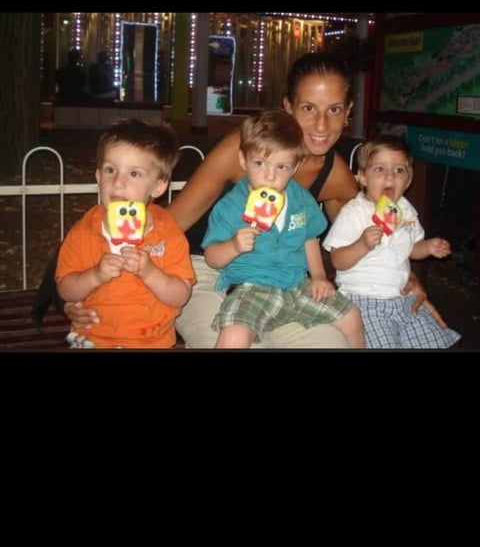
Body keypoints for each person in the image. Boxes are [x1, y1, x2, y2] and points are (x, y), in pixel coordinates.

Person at [60, 51, 447, 349]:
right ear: (288, 107)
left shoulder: (336, 174)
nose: (321, 125)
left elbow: (366, 237)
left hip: (283, 281)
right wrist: (96, 290)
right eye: (308, 108)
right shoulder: (242, 150)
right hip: (207, 271)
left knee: (333, 343)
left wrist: (405, 280)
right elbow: (169, 222)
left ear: (347, 113)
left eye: (333, 110)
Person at [202, 110, 366, 349]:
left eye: (281, 166)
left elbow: (309, 238)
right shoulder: (231, 206)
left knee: (352, 317)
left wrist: (318, 276)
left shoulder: (301, 200)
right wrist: (233, 246)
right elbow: (211, 257)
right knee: (233, 335)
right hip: (250, 287)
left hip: (296, 285)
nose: (270, 176)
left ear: (295, 166)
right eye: (260, 163)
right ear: (243, 160)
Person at [55, 118, 195, 349]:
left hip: (152, 342)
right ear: (98, 176)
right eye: (110, 170)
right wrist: (95, 275)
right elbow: (65, 289)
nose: (118, 182)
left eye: (134, 174)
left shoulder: (168, 234)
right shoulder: (84, 231)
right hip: (93, 339)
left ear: (158, 186)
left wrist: (150, 273)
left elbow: (181, 296)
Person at [322, 135, 461, 349]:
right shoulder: (355, 212)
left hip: (403, 298)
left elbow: (412, 249)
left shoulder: (406, 210)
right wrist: (362, 245)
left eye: (399, 170)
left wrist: (428, 247)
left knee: (432, 341)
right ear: (362, 177)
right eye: (380, 169)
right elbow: (338, 260)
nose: (390, 176)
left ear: (408, 180)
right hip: (364, 300)